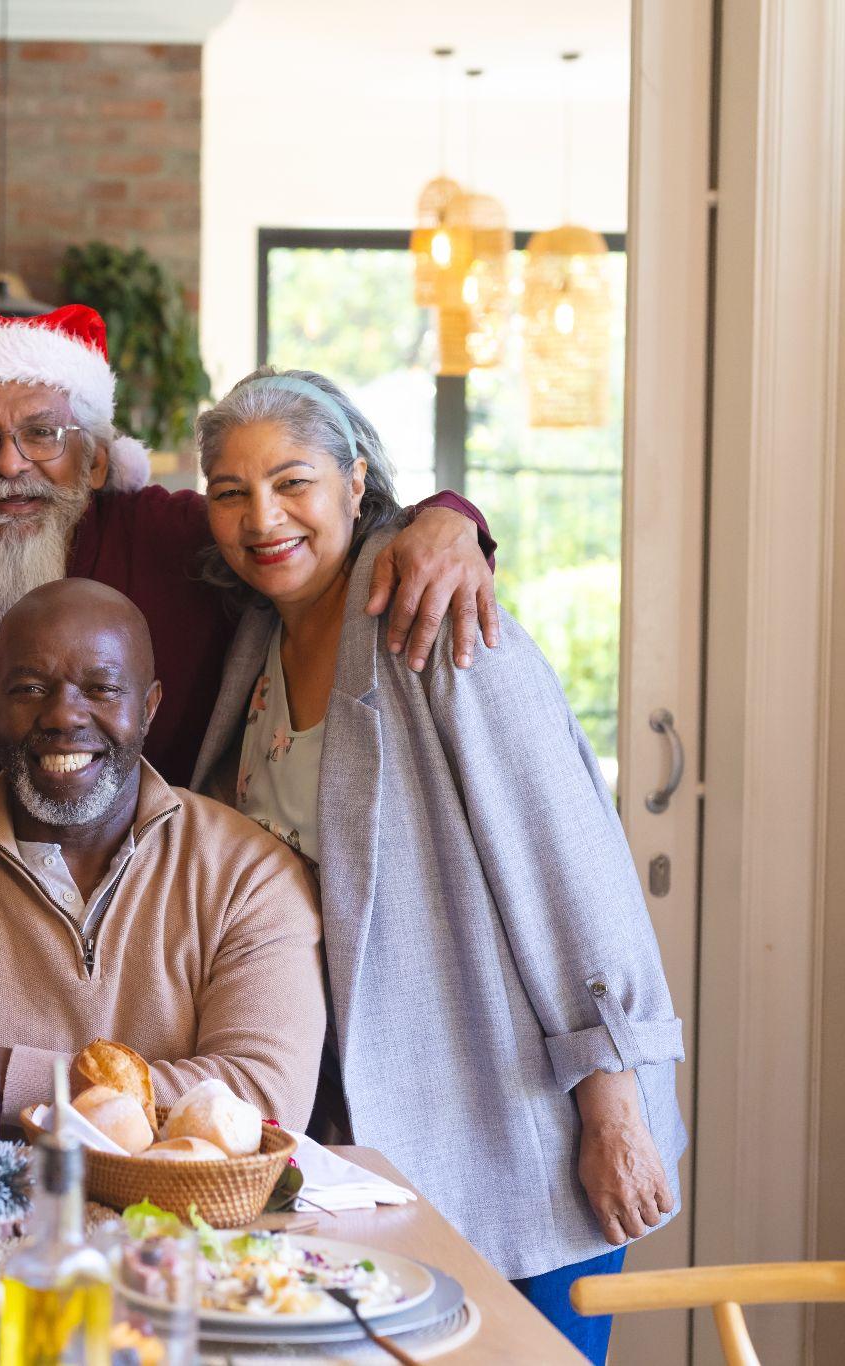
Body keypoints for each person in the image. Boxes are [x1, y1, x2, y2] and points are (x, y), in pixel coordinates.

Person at [185, 369, 685, 1363]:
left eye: (291, 482)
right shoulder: (253, 642)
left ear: (354, 478)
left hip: (508, 1125)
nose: (261, 517)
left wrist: (613, 1111)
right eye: (230, 492)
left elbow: (568, 872)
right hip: (353, 1140)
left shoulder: (438, 617)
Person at [0, 303, 501, 786]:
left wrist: (450, 519)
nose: (9, 463)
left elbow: (316, 534)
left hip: (193, 872)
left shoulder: (178, 535)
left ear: (95, 461)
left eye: (42, 434)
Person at [0, 577, 326, 1127]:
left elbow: (262, 1104)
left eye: (101, 689)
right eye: (29, 688)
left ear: (150, 706)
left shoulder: (248, 875)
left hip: (188, 1216)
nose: (64, 716)